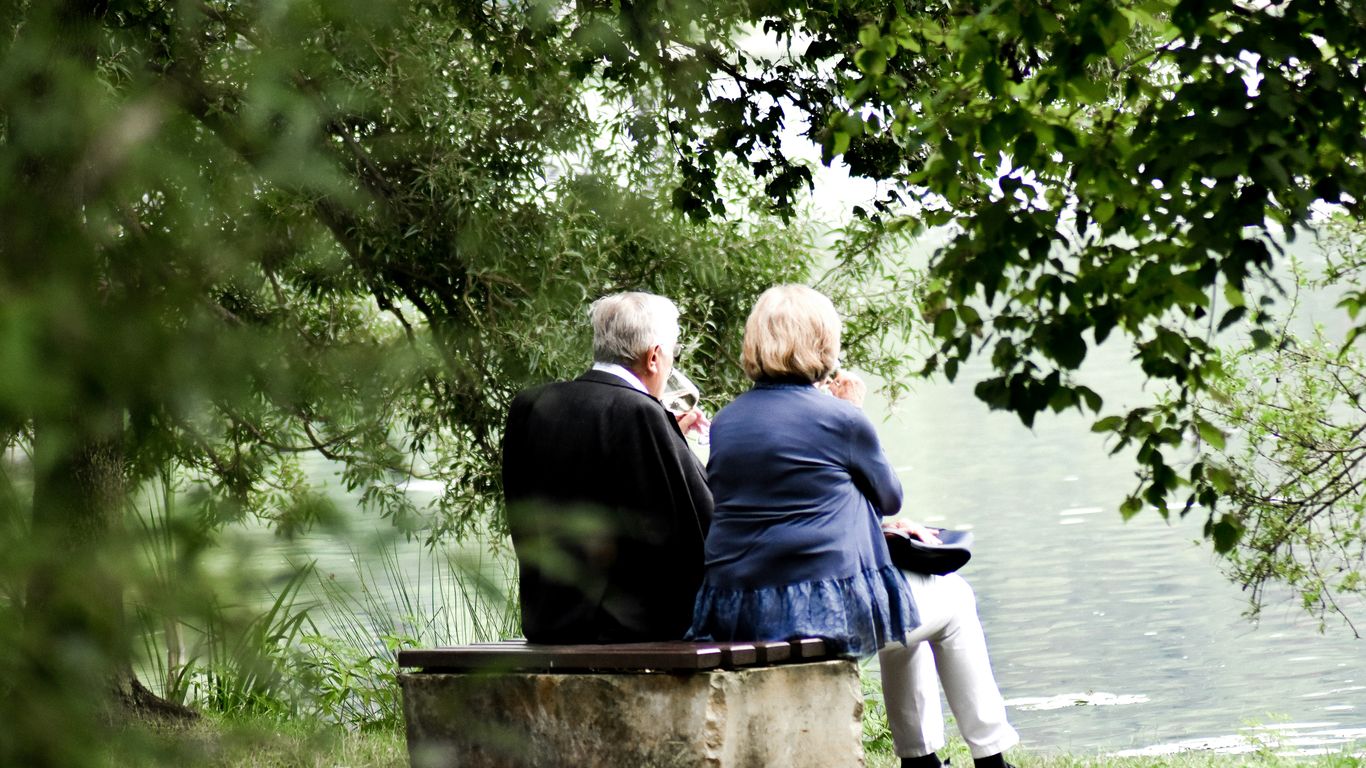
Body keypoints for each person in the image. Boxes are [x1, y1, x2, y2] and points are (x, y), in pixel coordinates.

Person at [687, 284, 1018, 768]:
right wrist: (855, 412)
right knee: (954, 599)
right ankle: (990, 757)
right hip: (819, 610)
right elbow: (889, 497)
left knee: (903, 604)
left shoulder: (727, 422)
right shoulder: (841, 419)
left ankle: (921, 760)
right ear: (822, 342)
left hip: (739, 606)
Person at [501, 291, 712, 643]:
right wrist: (685, 449)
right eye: (673, 354)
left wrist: (669, 437)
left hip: (547, 622)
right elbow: (698, 524)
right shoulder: (640, 413)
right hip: (628, 630)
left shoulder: (530, 405)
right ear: (654, 357)